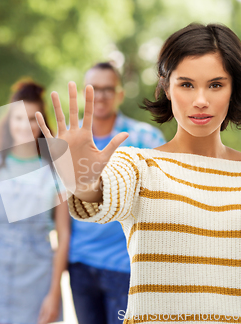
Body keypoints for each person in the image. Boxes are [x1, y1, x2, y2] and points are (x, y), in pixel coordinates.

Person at [36, 23, 241, 323]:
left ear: (234, 89)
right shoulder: (139, 165)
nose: (200, 99)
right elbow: (103, 194)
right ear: (167, 87)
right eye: (186, 84)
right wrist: (84, 180)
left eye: (216, 84)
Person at [68, 62, 165, 324]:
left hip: (125, 267)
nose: (100, 95)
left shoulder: (146, 138)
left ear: (120, 94)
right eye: (94, 89)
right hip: (80, 264)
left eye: (108, 89)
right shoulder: (69, 140)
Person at [0, 81, 70, 324]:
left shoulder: (57, 170)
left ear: (42, 122)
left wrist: (54, 293)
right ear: (9, 121)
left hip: (38, 274)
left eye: (33, 119)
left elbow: (64, 234)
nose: (25, 125)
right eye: (18, 118)